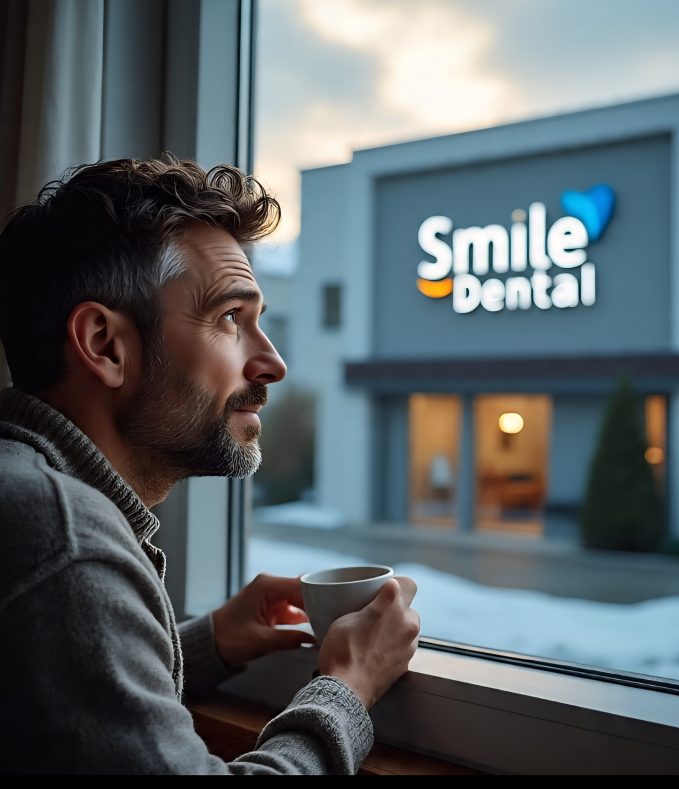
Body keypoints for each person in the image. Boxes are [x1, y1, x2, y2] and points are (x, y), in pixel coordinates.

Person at [0, 156, 420, 775]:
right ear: (105, 345)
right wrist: (349, 688)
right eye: (230, 317)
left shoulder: (27, 493)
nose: (273, 363)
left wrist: (207, 643)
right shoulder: (62, 536)